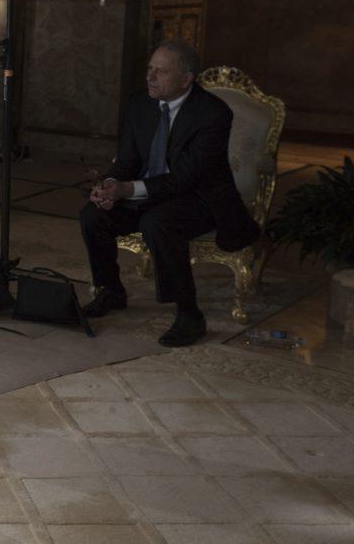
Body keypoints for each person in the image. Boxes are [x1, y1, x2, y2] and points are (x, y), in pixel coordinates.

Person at [79, 40, 260, 347]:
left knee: (159, 222)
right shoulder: (139, 104)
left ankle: (190, 315)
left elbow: (186, 177)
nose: (150, 77)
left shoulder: (212, 113)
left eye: (161, 71)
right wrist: (110, 185)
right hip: (150, 192)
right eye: (150, 68)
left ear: (186, 78)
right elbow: (127, 161)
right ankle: (110, 290)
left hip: (200, 198)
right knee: (93, 214)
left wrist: (128, 189)